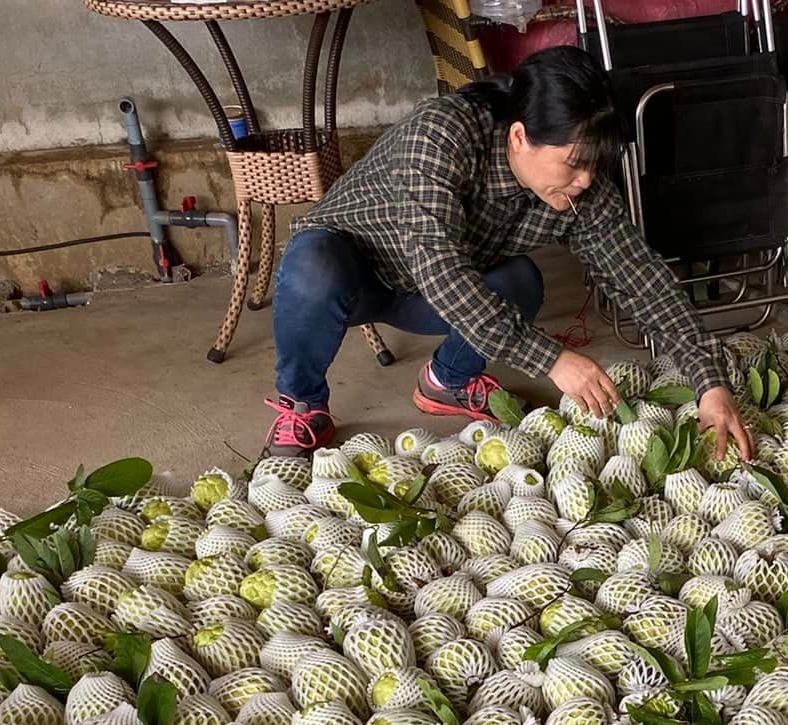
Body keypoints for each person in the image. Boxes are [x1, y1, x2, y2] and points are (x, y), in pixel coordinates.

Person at [262, 46, 753, 463]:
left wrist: (708, 383)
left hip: (427, 294)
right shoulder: (441, 136)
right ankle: (303, 405)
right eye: (574, 163)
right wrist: (553, 359)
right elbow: (443, 274)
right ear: (519, 137)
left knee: (520, 281)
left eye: (594, 164)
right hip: (353, 274)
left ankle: (446, 381)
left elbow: (642, 280)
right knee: (313, 265)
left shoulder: (580, 190)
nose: (585, 180)